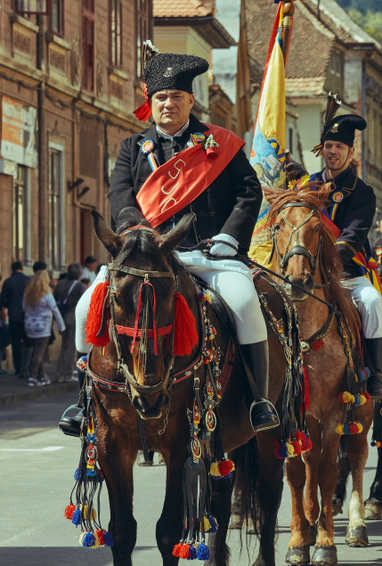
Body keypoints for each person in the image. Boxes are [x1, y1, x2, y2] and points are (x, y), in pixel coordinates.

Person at [68, 49, 278, 434]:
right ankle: (83, 401)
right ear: (151, 102)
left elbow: (249, 193)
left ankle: (258, 401)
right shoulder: (132, 147)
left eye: (176, 97)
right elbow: (119, 197)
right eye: (161, 97)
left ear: (190, 100)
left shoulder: (221, 143)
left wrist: (230, 237)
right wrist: (138, 234)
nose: (168, 104)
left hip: (210, 253)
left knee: (247, 303)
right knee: (86, 307)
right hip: (146, 257)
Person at [305, 112, 382, 400]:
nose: (333, 151)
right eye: (328, 145)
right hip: (306, 274)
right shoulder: (307, 187)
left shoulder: (362, 193)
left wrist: (324, 260)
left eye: (339, 147)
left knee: (372, 302)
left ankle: (376, 373)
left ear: (350, 152)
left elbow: (352, 238)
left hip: (346, 275)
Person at [23, 269, 64, 386]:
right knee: (39, 351)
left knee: (37, 351)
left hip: (29, 325)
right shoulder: (46, 294)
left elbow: (23, 307)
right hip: (43, 326)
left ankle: (41, 376)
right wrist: (61, 326)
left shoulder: (28, 293)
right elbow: (55, 310)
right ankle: (32, 376)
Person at [52, 263, 84, 382]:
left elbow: (55, 299)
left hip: (62, 316)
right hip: (74, 316)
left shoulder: (60, 284)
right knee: (71, 347)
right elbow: (85, 301)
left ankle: (58, 373)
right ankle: (67, 374)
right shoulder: (80, 286)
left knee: (63, 347)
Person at [0, 261, 30, 378]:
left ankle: (18, 368)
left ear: (12, 269)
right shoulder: (29, 280)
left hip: (14, 316)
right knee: (28, 343)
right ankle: (26, 368)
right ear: (22, 268)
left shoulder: (8, 281)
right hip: (27, 316)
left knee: (16, 343)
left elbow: (4, 301)